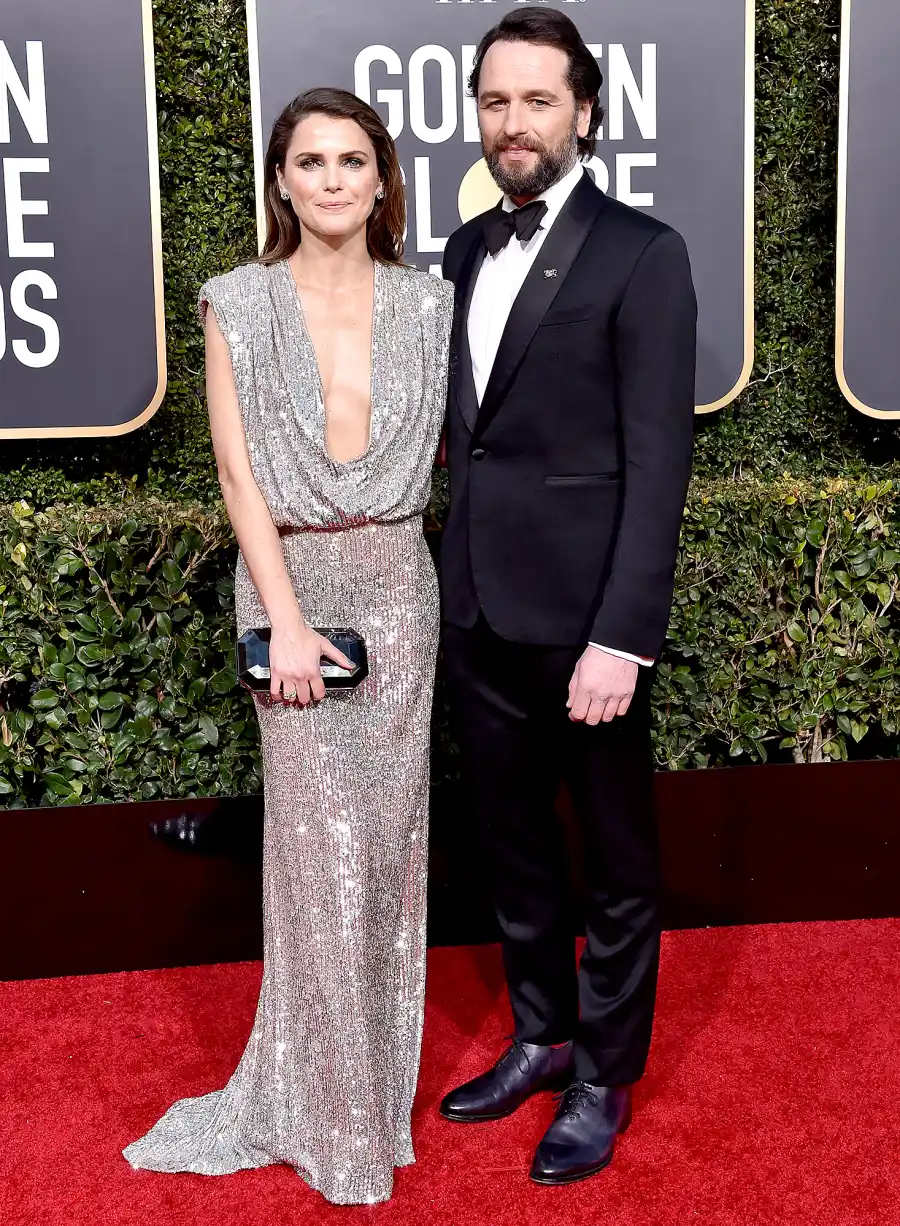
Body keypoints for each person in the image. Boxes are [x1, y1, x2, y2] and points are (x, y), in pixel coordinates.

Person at [124, 87, 453, 1206]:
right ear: (279, 180)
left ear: (380, 179)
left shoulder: (427, 303)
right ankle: (334, 1118)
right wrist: (286, 621)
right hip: (292, 587)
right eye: (308, 161)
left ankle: (365, 1085)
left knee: (391, 854)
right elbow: (236, 476)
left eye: (351, 160)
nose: (329, 180)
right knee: (319, 858)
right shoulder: (237, 303)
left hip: (403, 593)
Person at [438, 8, 697, 1186]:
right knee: (514, 847)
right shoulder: (462, 250)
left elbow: (659, 464)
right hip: (480, 609)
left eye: (538, 100)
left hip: (587, 624)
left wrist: (622, 639)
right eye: (496, 101)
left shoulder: (643, 252)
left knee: (615, 863)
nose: (514, 122)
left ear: (586, 111)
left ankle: (604, 1071)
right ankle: (539, 1034)